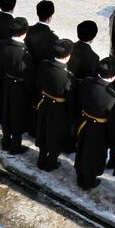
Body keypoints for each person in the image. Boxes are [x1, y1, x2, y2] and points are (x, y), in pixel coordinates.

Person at [74, 57, 115, 190]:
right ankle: (88, 182)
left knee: (81, 149)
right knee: (94, 156)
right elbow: (112, 121)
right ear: (113, 76)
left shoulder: (87, 82)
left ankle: (79, 176)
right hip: (100, 129)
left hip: (84, 122)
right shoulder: (113, 96)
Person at [0, 16, 35, 154]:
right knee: (17, 116)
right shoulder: (25, 54)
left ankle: (5, 141)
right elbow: (28, 76)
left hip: (6, 82)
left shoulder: (2, 45)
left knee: (6, 113)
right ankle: (15, 146)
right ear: (25, 32)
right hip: (20, 88)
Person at [35, 38, 74, 171]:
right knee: (55, 136)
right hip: (59, 109)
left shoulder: (44, 64)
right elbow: (70, 98)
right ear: (68, 56)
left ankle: (41, 158)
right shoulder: (67, 76)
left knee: (43, 130)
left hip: (45, 102)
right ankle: (51, 162)